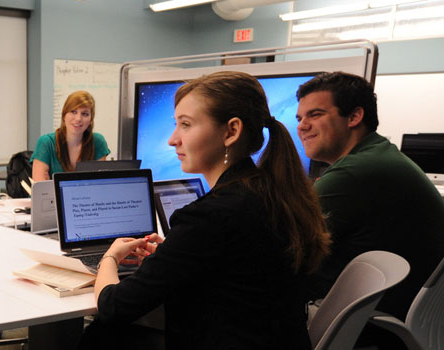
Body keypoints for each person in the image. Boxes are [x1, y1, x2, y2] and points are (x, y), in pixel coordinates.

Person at [83, 71, 331, 349]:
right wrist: (176, 253)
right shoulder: (274, 194)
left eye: (186, 125)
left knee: (99, 334)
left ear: (231, 131)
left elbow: (114, 306)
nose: (172, 139)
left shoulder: (211, 216)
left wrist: (110, 258)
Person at [296, 72, 444, 322]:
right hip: (385, 313)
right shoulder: (377, 156)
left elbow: (281, 241)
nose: (301, 126)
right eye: (299, 118)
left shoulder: (357, 171)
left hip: (369, 322)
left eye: (315, 114)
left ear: (354, 116)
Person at [31, 91, 110, 181]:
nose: (78, 119)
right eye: (73, 112)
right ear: (64, 115)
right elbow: (41, 190)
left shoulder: (97, 142)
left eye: (85, 114)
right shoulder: (46, 143)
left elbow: (100, 183)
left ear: (91, 120)